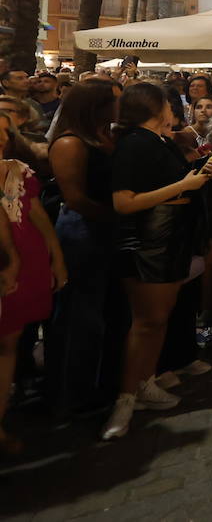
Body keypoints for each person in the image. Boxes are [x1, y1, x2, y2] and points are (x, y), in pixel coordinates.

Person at [103, 83, 212, 439]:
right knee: (147, 321)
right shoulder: (134, 143)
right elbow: (123, 202)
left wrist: (195, 170)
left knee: (158, 319)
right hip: (150, 239)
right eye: (169, 104)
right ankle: (126, 395)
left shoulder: (160, 140)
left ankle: (145, 382)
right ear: (156, 108)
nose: (174, 110)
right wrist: (186, 185)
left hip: (171, 235)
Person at [44, 81, 120, 417]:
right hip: (82, 233)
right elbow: (74, 197)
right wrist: (117, 215)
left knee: (96, 313)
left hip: (103, 230)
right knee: (78, 315)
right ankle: (69, 393)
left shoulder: (103, 136)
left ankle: (92, 384)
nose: (120, 106)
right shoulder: (70, 142)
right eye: (115, 101)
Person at [0, 112, 65, 454]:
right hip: (7, 267)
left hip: (28, 264)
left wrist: (57, 256)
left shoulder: (17, 170)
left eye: (3, 133)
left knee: (9, 345)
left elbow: (37, 215)